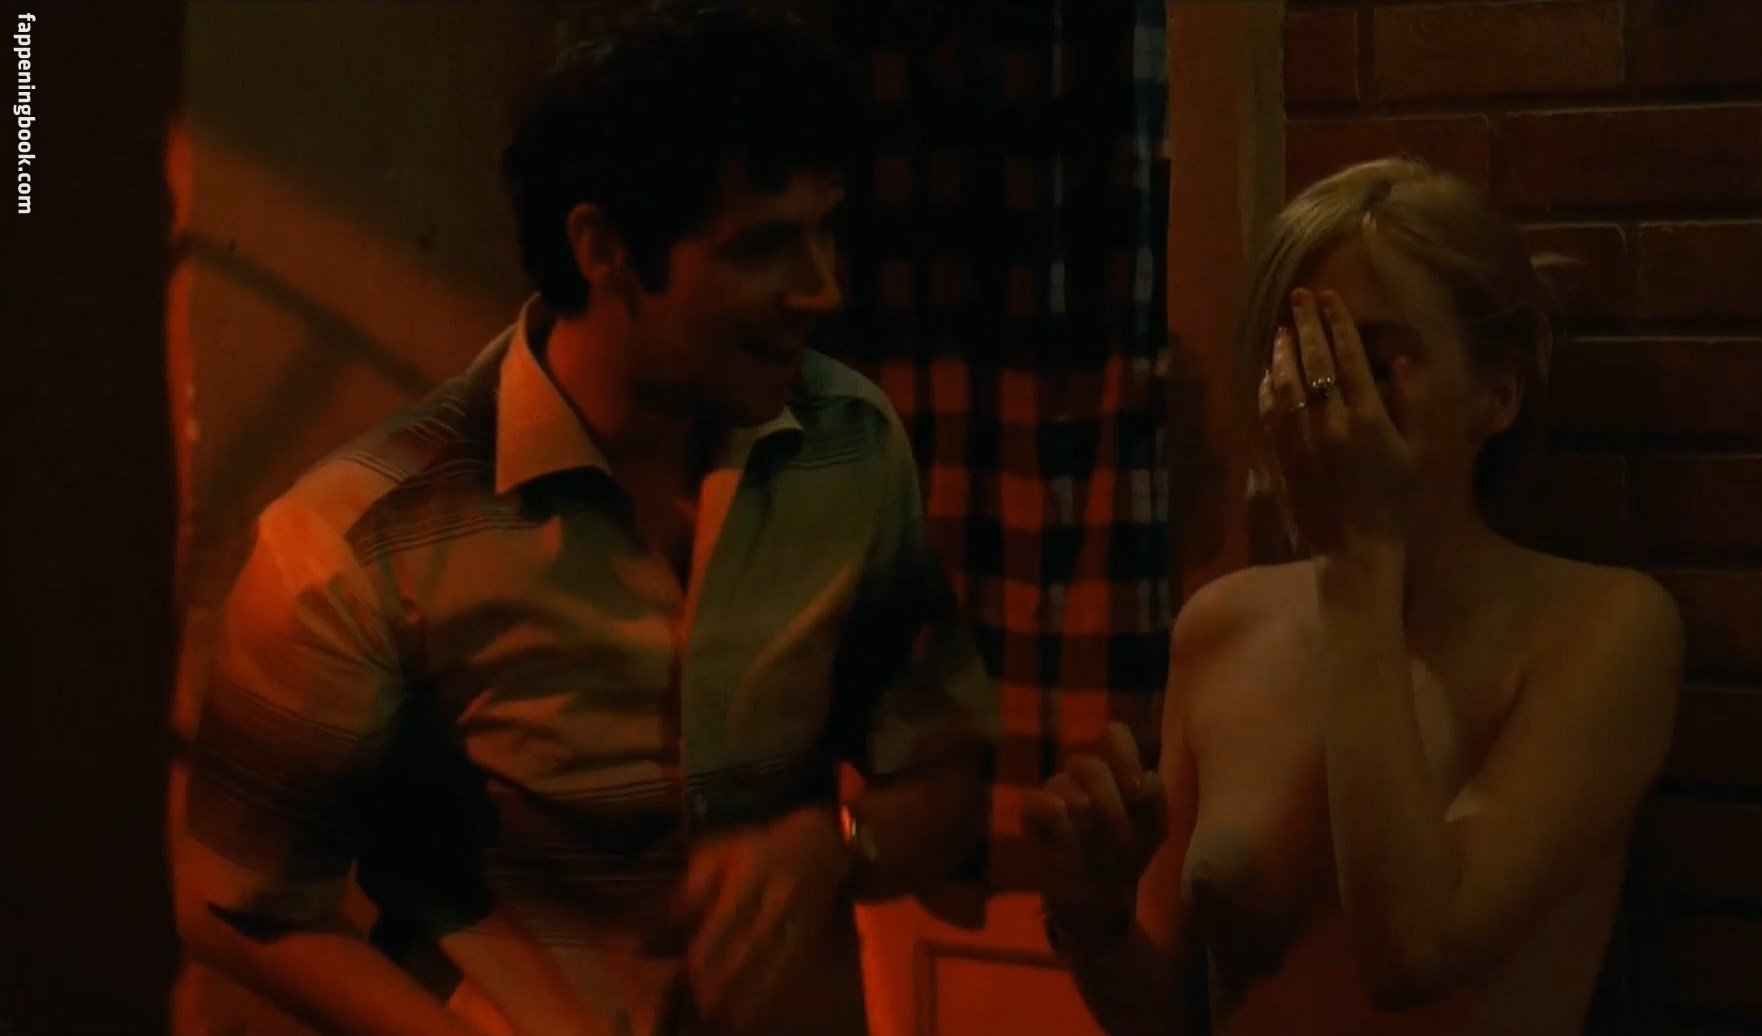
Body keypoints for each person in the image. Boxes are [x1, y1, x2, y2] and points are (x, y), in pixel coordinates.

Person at [173, 5, 999, 1035]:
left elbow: (946, 776)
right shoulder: (358, 535)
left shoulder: (851, 445)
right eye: (764, 247)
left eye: (828, 230)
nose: (821, 288)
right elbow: (237, 901)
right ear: (603, 247)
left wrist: (840, 846)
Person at [1021, 157, 1682, 1036]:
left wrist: (1357, 556)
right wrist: (1094, 919)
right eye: (1299, 362)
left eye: (1369, 361)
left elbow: (1415, 951)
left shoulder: (1601, 629)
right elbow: (1175, 1015)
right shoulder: (1224, 626)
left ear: (1495, 394)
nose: (1326, 405)